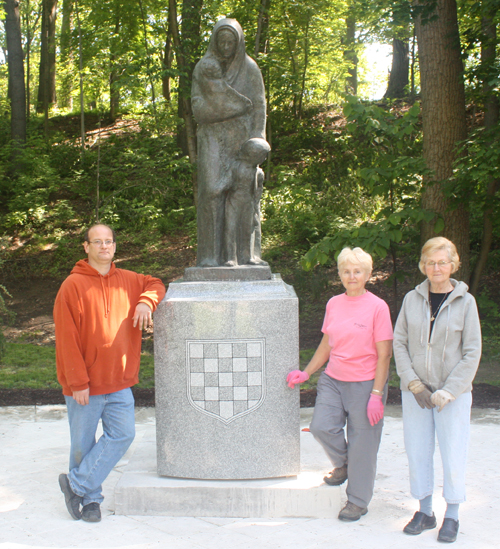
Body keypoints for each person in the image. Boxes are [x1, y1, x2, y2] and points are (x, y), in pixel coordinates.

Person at [53, 224, 165, 522]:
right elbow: (66, 339)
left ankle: (75, 485)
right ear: (86, 247)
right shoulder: (72, 286)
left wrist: (145, 301)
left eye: (109, 241)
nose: (104, 246)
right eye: (97, 242)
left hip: (119, 382)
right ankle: (90, 501)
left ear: (115, 246)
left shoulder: (129, 280)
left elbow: (156, 283)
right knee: (82, 446)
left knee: (123, 434)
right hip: (85, 385)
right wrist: (77, 381)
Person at [287, 247, 393, 521]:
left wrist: (376, 394)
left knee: (363, 445)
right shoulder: (334, 303)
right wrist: (307, 372)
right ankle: (344, 465)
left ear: (368, 274)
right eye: (346, 271)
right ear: (340, 274)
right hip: (333, 379)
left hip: (365, 383)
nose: (352, 276)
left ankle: (357, 501)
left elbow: (385, 354)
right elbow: (327, 343)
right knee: (322, 427)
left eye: (357, 271)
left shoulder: (378, 307)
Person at [394, 237, 481, 544]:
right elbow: (399, 343)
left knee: (453, 452)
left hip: (451, 396)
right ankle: (425, 511)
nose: (436, 268)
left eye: (442, 262)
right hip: (415, 392)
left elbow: (472, 351)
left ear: (453, 265)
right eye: (431, 262)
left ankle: (452, 515)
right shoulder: (410, 299)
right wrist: (413, 383)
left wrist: (450, 390)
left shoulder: (466, 302)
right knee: (418, 451)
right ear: (423, 266)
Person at [191, 18, 267, 267]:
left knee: (243, 193)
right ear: (214, 41)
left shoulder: (250, 69)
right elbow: (198, 108)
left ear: (239, 43)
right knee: (212, 191)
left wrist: (258, 139)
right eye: (221, 41)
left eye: (230, 42)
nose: (225, 46)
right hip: (212, 138)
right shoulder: (203, 68)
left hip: (242, 141)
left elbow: (259, 107)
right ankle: (210, 256)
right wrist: (226, 109)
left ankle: (245, 256)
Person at [224, 137, 270, 266]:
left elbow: (257, 192)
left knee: (248, 229)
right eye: (262, 155)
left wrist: (255, 208)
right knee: (231, 229)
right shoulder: (236, 167)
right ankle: (231, 258)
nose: (264, 159)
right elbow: (227, 183)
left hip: (248, 203)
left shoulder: (259, 173)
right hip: (234, 201)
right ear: (252, 154)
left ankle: (248, 257)